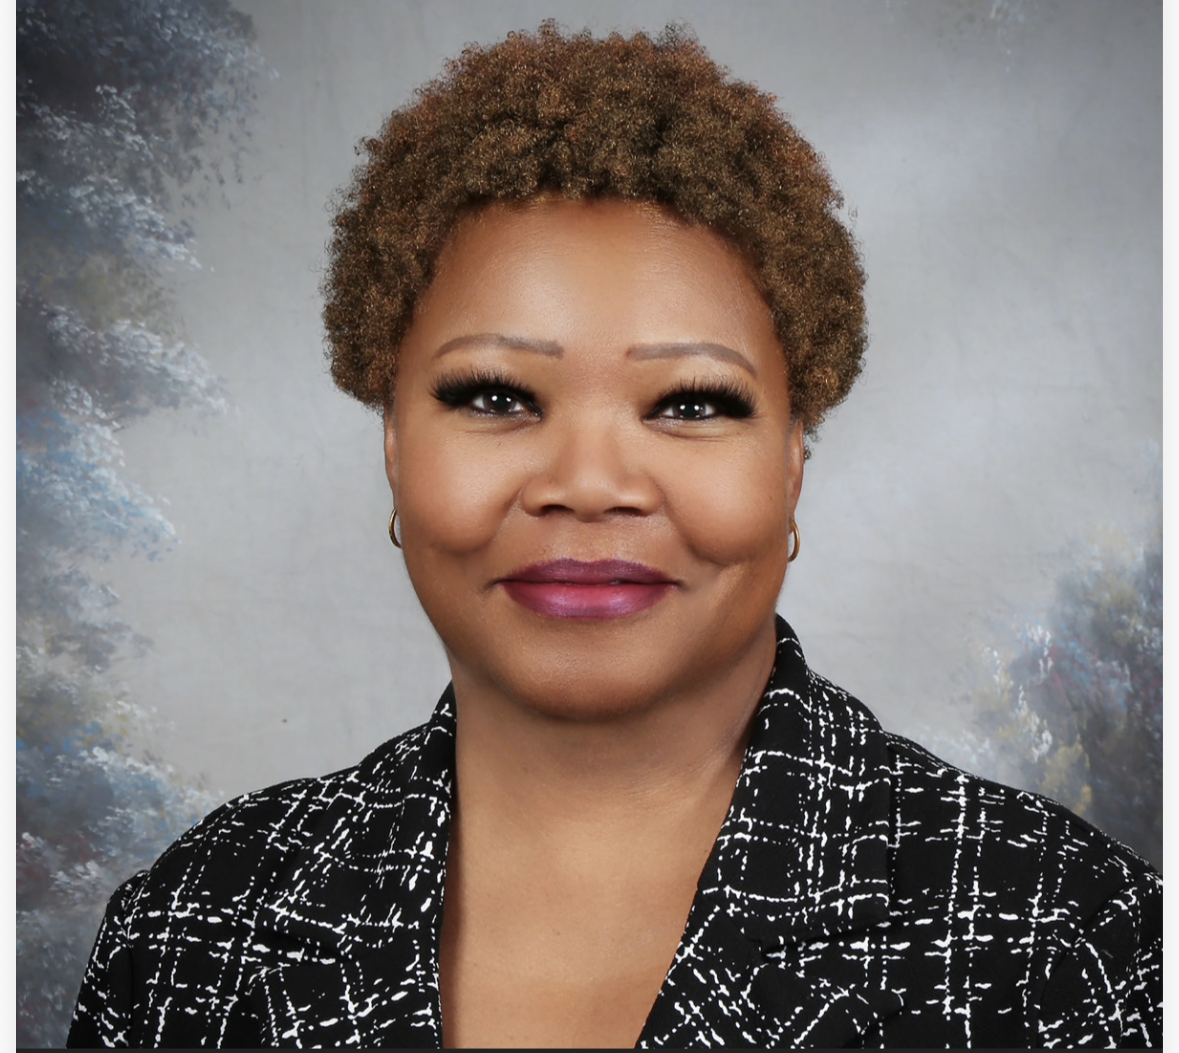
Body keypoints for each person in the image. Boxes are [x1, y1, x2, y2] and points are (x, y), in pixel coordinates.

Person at [68, 23, 1160, 1049]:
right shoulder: (192, 937)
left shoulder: (1059, 943)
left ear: (792, 460)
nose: (588, 486)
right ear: (395, 444)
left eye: (691, 402)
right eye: (496, 396)